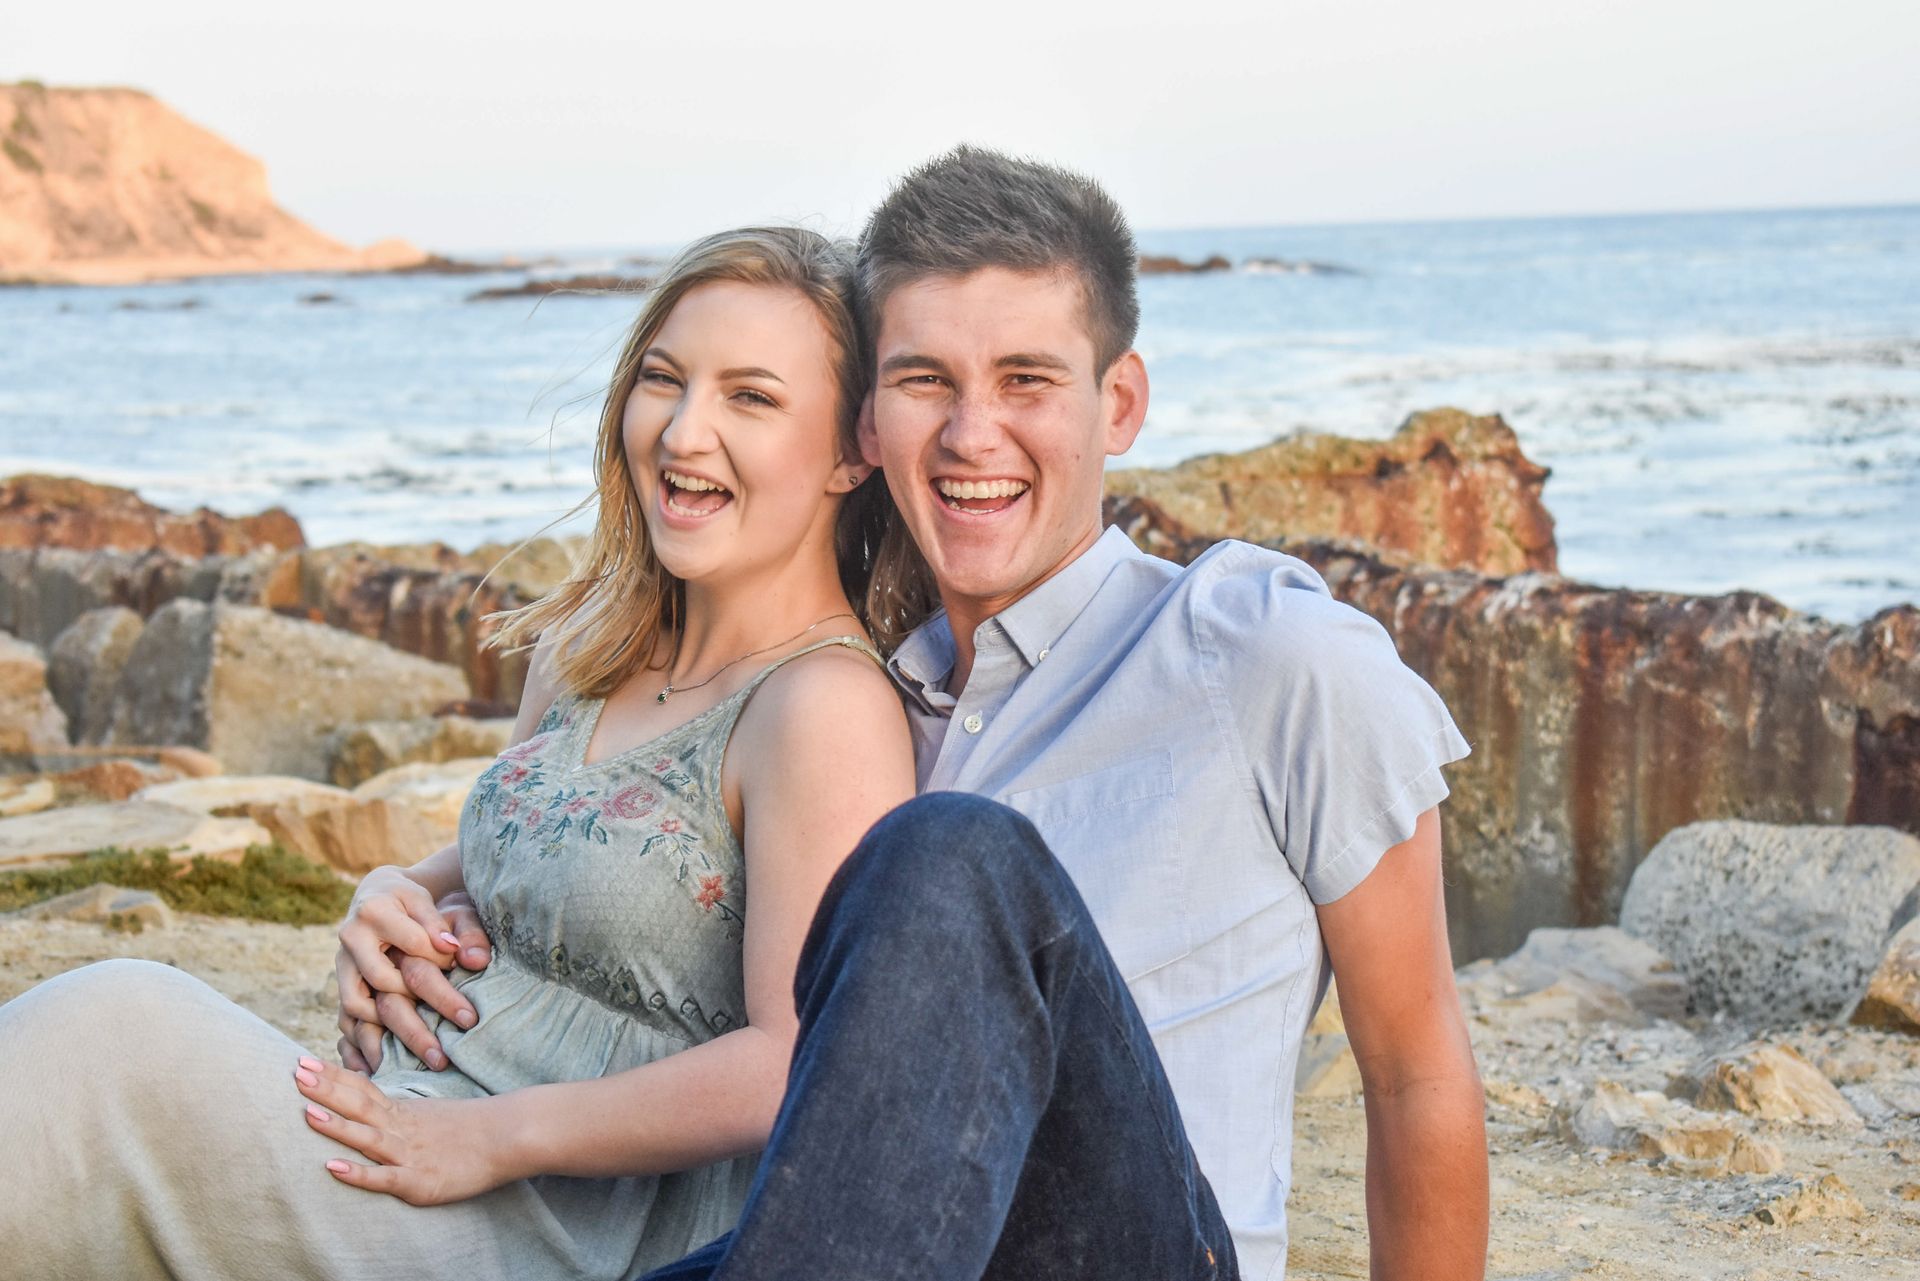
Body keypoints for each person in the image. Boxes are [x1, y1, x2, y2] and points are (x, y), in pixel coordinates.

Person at [370, 148, 1492, 1280]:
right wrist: (403, 895)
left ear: (1121, 405)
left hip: (1132, 1247)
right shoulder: (860, 703)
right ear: (864, 429)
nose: (970, 434)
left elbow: (1415, 1070)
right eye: (923, 382)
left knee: (949, 852)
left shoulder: (1261, 654)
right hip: (877, 1242)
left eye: (1026, 381)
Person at [0, 226, 935, 1278]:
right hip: (409, 1125)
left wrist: (491, 1141)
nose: (682, 433)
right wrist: (391, 891)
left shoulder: (821, 708)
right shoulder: (589, 643)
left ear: (854, 449)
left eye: (750, 399)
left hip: (541, 1224)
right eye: (664, 380)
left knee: (114, 1034)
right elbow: (538, 862)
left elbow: (792, 1066)